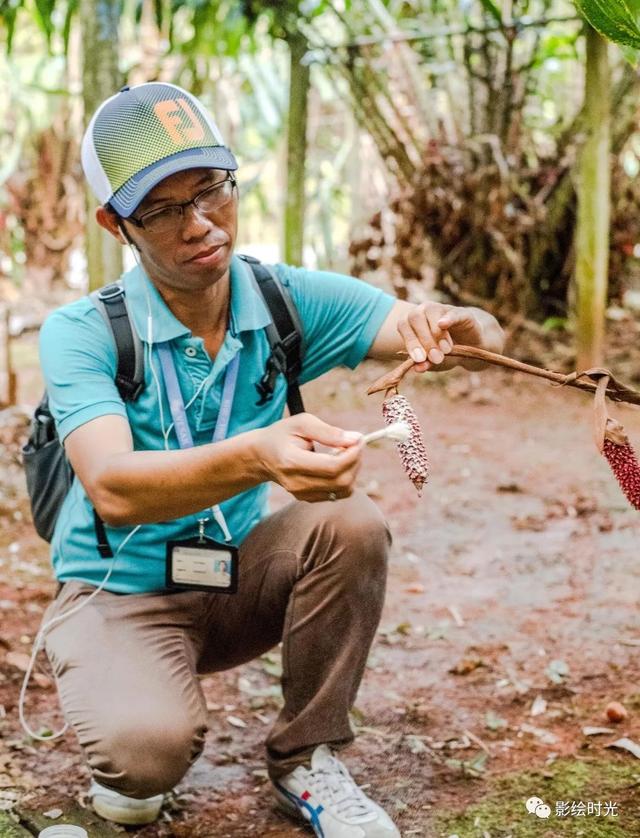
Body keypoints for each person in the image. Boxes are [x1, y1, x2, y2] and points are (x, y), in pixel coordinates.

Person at [38, 82, 505, 836]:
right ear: (115, 222)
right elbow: (115, 489)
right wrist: (260, 454)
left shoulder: (282, 301)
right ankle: (130, 717)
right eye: (162, 209)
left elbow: (458, 334)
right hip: (118, 595)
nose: (201, 225)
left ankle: (307, 758)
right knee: (144, 756)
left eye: (212, 190)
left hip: (231, 579)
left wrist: (467, 331)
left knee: (350, 525)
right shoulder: (83, 333)